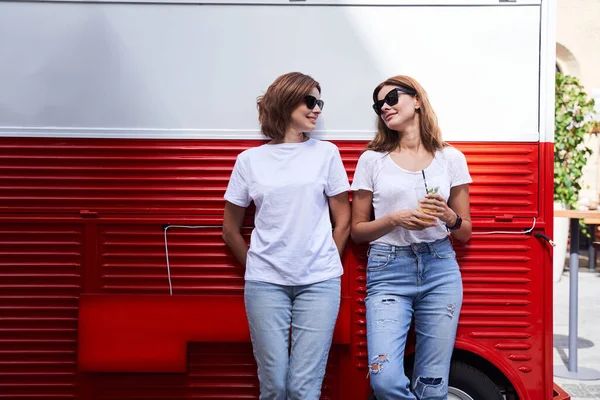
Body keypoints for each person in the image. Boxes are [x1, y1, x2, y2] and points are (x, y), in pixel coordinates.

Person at [222, 72, 351, 400]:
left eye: (319, 102)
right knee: (275, 385)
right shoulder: (249, 161)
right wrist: (256, 264)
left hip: (319, 283)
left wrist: (324, 258)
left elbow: (344, 220)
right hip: (265, 284)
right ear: (286, 100)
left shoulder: (326, 154)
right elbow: (230, 229)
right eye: (310, 101)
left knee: (303, 388)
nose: (317, 109)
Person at [350, 75, 472, 400]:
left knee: (432, 386)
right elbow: (356, 231)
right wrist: (394, 219)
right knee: (385, 380)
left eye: (391, 98)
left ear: (416, 99)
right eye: (379, 105)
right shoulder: (371, 160)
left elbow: (465, 232)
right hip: (388, 271)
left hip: (440, 268)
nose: (385, 107)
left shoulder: (451, 159)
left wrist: (449, 217)